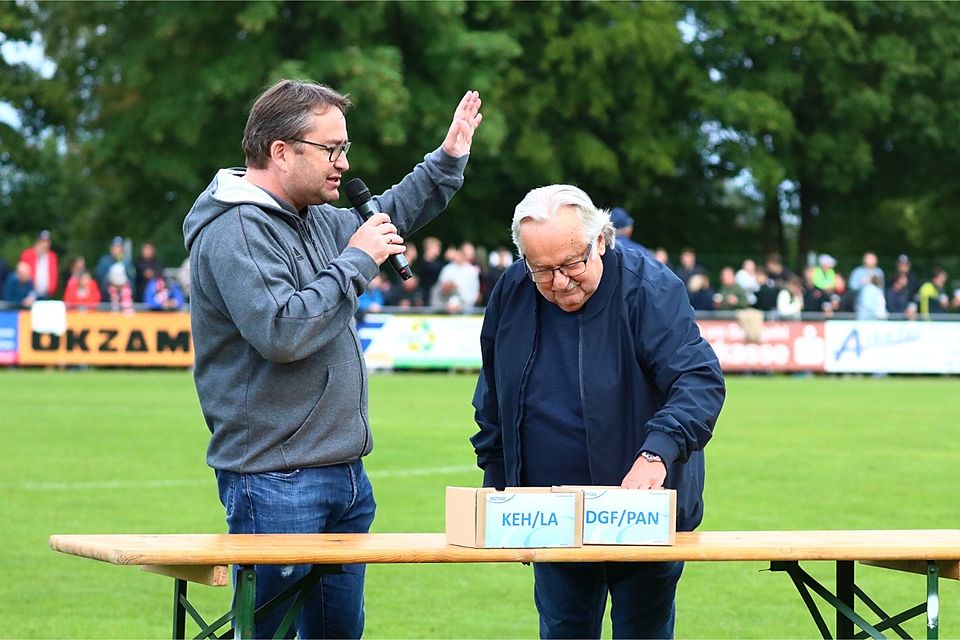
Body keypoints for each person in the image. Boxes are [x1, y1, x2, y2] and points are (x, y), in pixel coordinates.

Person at [182, 79, 481, 639]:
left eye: (345, 149)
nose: (344, 163)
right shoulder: (236, 229)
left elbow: (386, 216)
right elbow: (283, 331)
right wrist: (354, 264)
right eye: (332, 149)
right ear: (281, 150)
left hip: (343, 472)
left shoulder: (315, 216)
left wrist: (446, 161)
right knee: (266, 633)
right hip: (275, 477)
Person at [470, 184, 724, 639]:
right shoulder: (511, 290)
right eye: (542, 270)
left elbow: (698, 381)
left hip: (642, 513)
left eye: (571, 264)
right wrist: (498, 480)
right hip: (550, 514)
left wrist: (657, 453)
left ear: (601, 240)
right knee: (563, 630)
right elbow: (493, 393)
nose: (560, 282)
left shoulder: (650, 288)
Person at [19, 230, 59, 300]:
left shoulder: (52, 256)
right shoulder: (27, 254)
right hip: (30, 293)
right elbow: (23, 273)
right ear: (37, 241)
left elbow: (53, 274)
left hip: (46, 293)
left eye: (47, 241)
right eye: (43, 241)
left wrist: (51, 289)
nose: (45, 244)